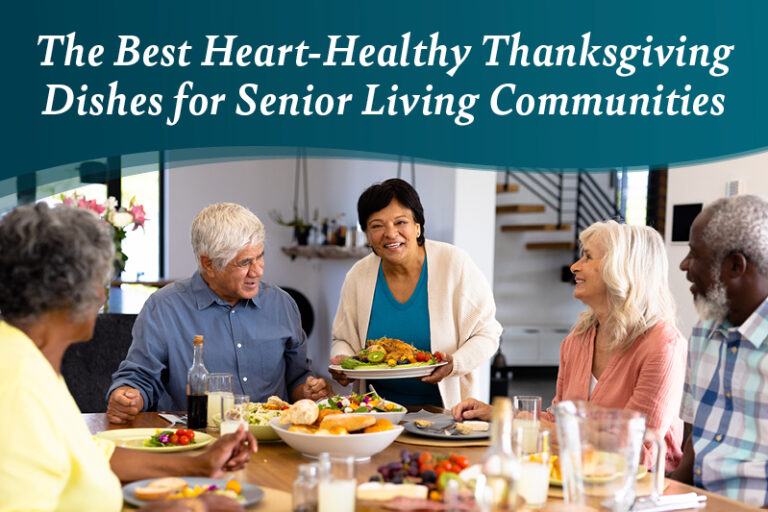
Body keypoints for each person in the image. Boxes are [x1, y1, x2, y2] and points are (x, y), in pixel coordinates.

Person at [0, 202, 255, 512]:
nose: (102, 294)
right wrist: (181, 509)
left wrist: (200, 465)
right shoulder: (17, 385)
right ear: (67, 292)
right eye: (98, 280)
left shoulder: (26, 356)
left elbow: (86, 454)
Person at [453, 220, 687, 472]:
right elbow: (556, 419)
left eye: (587, 257)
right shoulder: (579, 337)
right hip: (578, 476)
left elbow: (636, 450)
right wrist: (498, 415)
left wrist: (556, 427)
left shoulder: (663, 345)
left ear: (621, 269)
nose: (575, 266)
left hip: (644, 490)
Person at [107, 202, 331, 424]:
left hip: (274, 441)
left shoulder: (282, 304)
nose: (258, 271)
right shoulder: (164, 307)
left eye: (260, 256)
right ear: (209, 264)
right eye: (244, 262)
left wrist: (310, 391)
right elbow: (140, 376)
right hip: (197, 440)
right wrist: (128, 395)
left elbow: (297, 379)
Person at [330, 178, 502, 408]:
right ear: (368, 236)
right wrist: (343, 361)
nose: (390, 234)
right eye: (377, 226)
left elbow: (488, 333)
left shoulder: (454, 264)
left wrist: (455, 364)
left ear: (417, 226)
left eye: (400, 222)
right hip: (377, 412)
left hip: (445, 414)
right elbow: (343, 339)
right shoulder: (358, 275)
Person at [669, 195, 768, 507]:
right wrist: (658, 496)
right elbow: (696, 441)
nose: (684, 265)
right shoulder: (703, 332)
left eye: (694, 254)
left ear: (735, 265)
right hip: (699, 502)